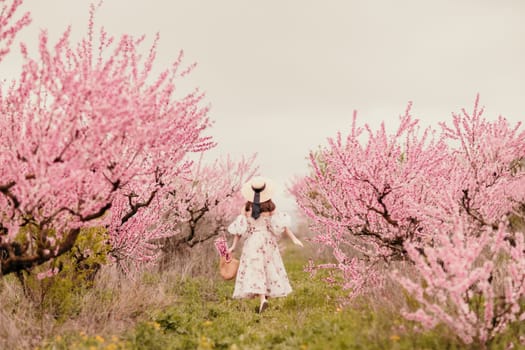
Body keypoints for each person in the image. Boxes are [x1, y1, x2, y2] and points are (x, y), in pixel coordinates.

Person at [227, 176, 304, 313]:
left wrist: (233, 246)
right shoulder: (270, 206)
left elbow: (239, 230)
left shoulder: (246, 208)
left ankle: (263, 299)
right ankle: (264, 299)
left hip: (252, 242)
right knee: (268, 267)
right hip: (268, 241)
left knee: (256, 268)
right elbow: (282, 225)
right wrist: (293, 239)